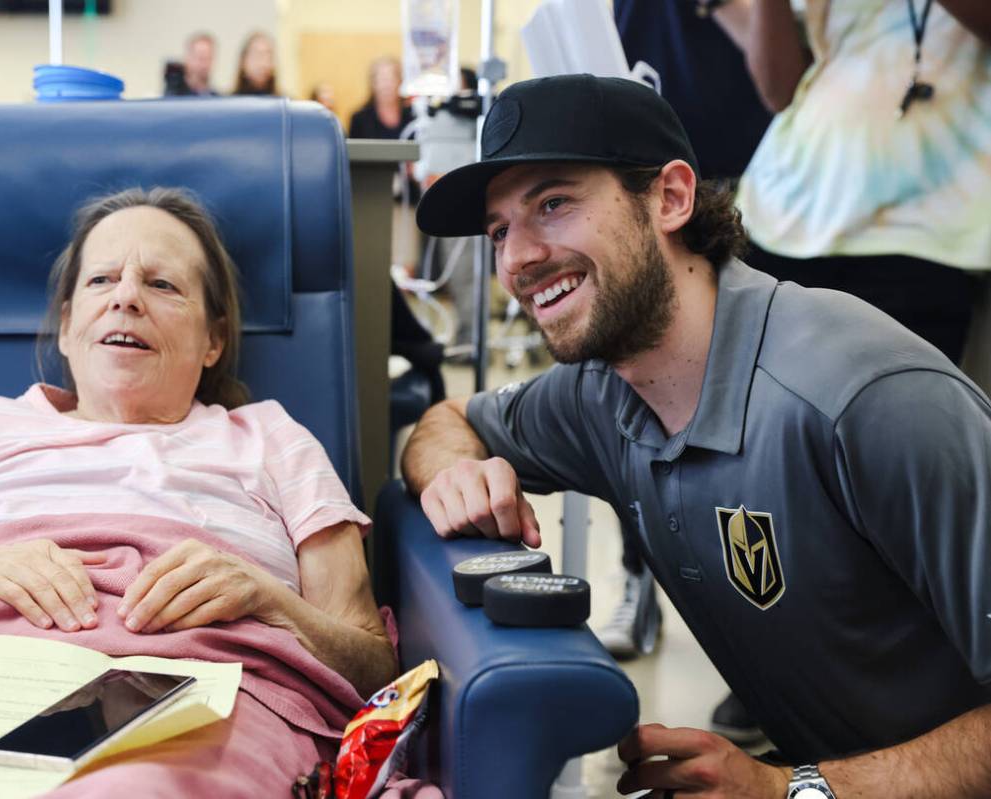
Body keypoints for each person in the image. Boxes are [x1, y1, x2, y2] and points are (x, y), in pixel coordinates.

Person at [403, 74, 991, 798]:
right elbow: (445, 422)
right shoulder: (603, 390)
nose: (516, 260)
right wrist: (453, 473)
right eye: (498, 231)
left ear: (670, 198)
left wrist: (790, 790)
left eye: (552, 203)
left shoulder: (863, 398)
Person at [0, 188, 398, 797]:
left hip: (191, 710)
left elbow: (373, 667)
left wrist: (270, 601)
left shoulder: (271, 438)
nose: (126, 297)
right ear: (66, 326)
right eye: (102, 280)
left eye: (163, 285)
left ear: (213, 339)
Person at [613, 0, 775, 743]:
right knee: (636, 389)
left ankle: (760, 628)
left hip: (753, 186)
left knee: (741, 408)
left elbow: (780, 79)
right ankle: (638, 577)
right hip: (646, 193)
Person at [734, 1, 991, 366]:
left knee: (885, 411)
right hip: (786, 211)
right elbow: (778, 90)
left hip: (924, 226)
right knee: (766, 409)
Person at [349, 57, 413, 140]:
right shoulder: (360, 119)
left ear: (400, 81)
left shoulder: (413, 115)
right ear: (373, 83)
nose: (387, 85)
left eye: (391, 79)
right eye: (382, 79)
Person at [165, 31, 220, 98]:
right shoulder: (175, 97)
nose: (204, 65)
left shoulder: (217, 98)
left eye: (208, 58)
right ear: (188, 59)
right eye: (200, 58)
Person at [232, 31, 277, 97]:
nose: (263, 62)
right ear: (243, 61)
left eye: (268, 55)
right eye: (257, 55)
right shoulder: (227, 104)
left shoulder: (285, 104)